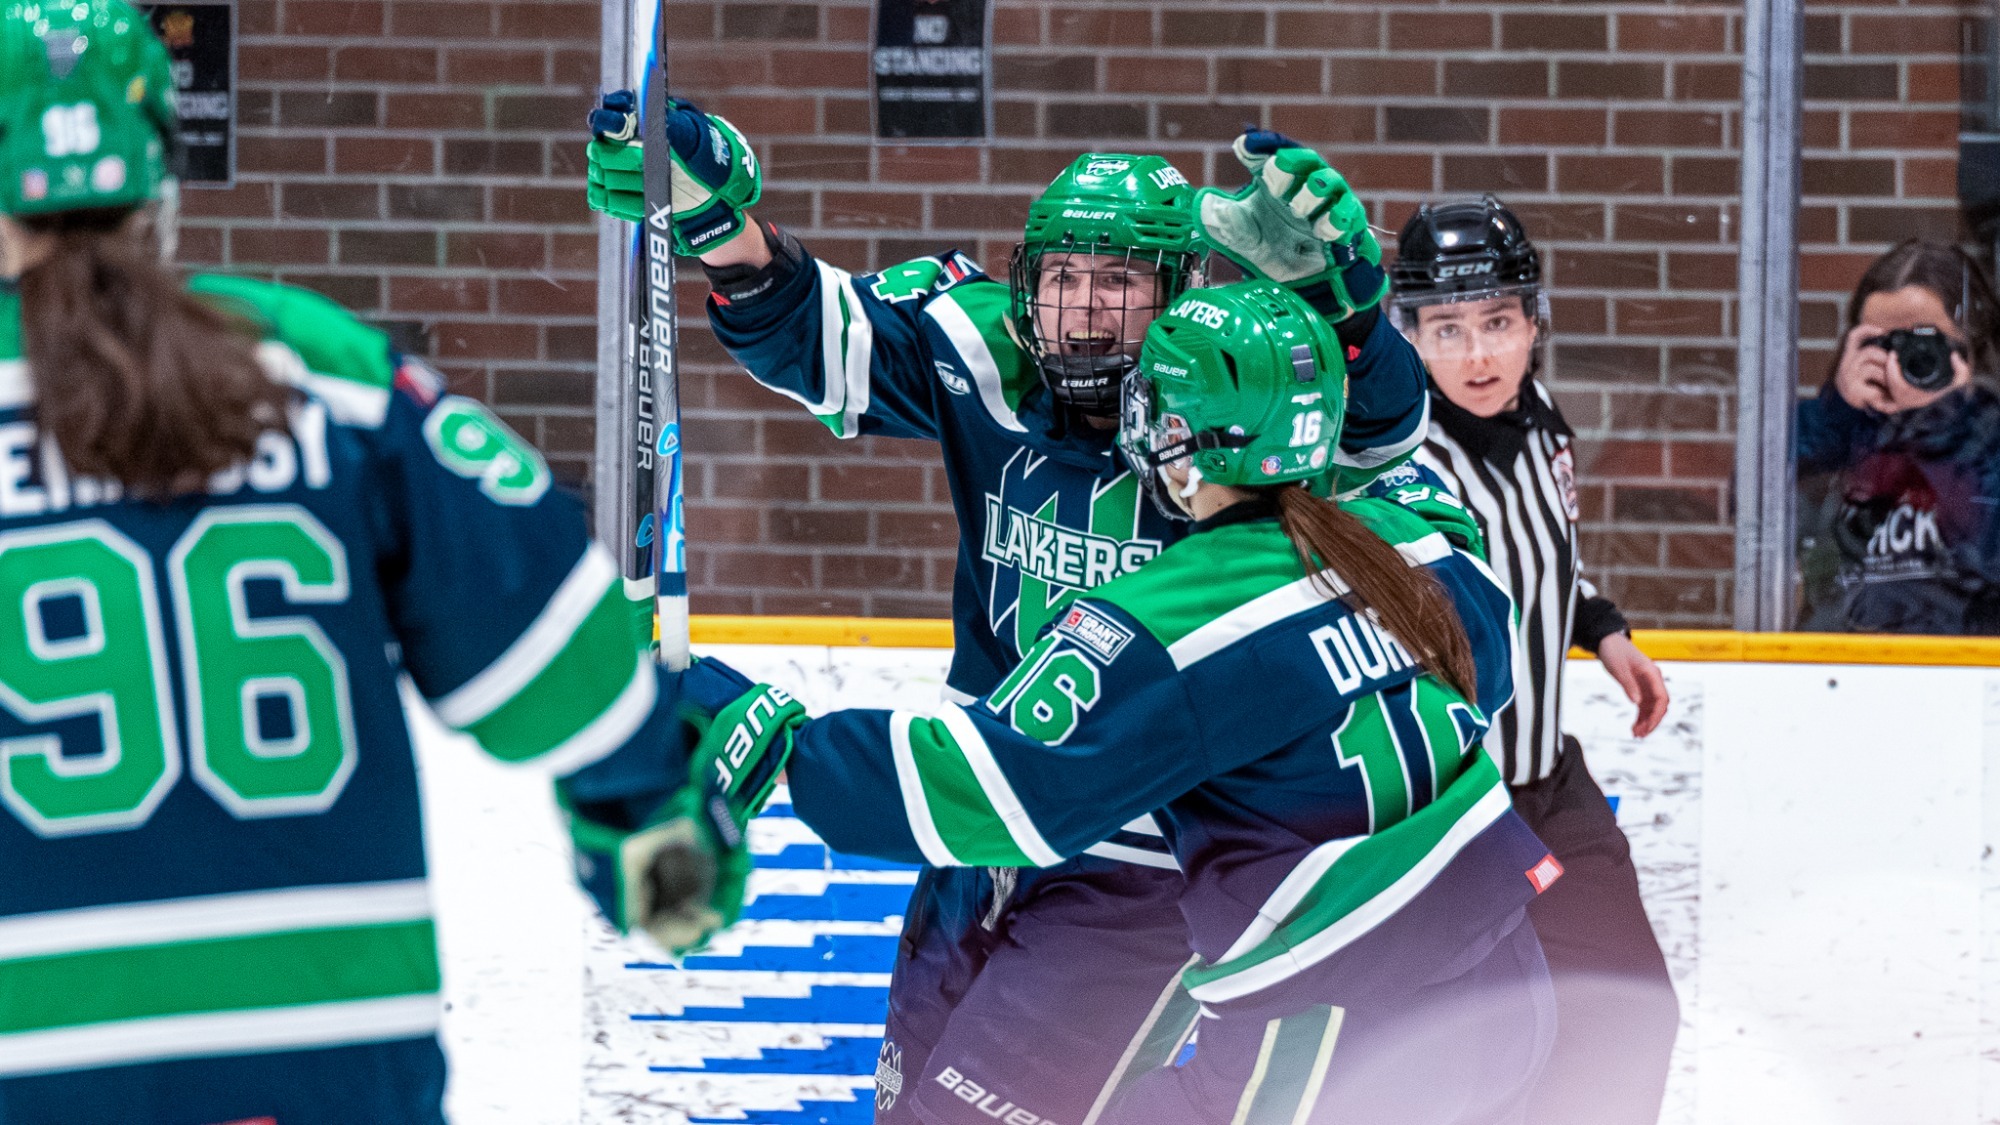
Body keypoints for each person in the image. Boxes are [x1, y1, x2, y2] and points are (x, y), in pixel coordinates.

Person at [587, 105, 1444, 1119]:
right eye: (1062, 279)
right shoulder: (984, 347)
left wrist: (1348, 318)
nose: (1083, 313)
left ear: (1180, 289)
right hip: (979, 822)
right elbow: (810, 331)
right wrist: (715, 222)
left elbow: (1372, 432)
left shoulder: (1227, 394)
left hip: (1138, 865)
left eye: (1119, 283)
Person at [0, 6, 732, 1121]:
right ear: (161, 173)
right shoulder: (315, 370)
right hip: (333, 1038)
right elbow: (555, 642)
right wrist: (644, 817)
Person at [671, 279, 1558, 1124]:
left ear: (1178, 439)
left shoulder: (1175, 616)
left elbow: (991, 789)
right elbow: (1485, 651)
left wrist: (776, 737)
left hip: (1340, 1019)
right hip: (1511, 983)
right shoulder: (1420, 545)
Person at [1390, 196, 1680, 1125]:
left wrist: (1603, 629)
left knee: (1632, 1010)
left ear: (1534, 323)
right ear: (1409, 336)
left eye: (1499, 322)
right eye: (1448, 329)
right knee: (1479, 1050)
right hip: (1451, 810)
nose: (1478, 354)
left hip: (1550, 782)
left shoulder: (1546, 421)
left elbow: (1546, 556)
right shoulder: (1397, 464)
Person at [1796, 239, 2000, 635]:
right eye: (1884, 344)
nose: (1901, 363)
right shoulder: (1842, 432)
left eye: (1926, 345)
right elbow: (1751, 504)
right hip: (1839, 663)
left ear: (1974, 351)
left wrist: (1947, 428)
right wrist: (1837, 412)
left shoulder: (1989, 441)